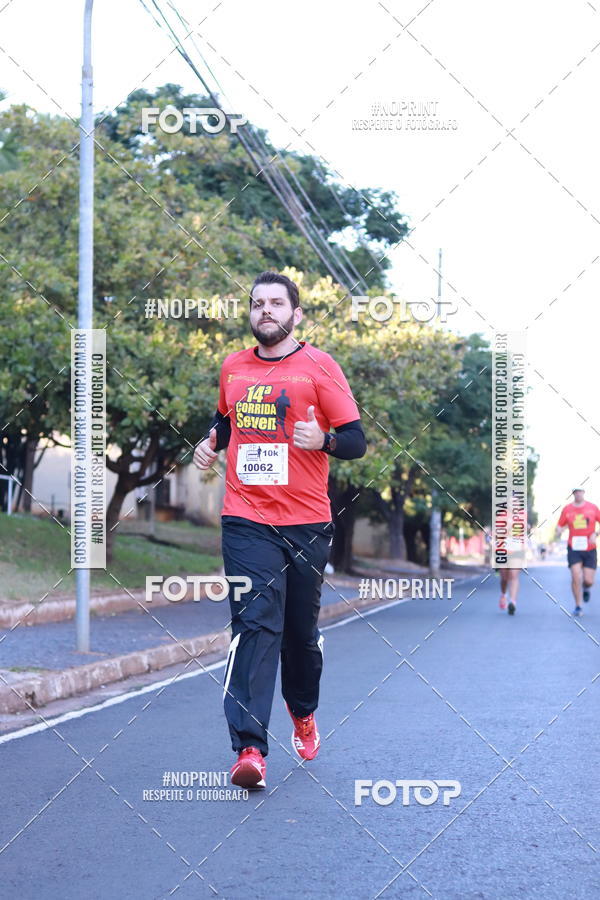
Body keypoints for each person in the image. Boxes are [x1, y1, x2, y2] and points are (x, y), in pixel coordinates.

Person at [193, 271, 366, 789]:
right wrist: (210, 442)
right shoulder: (233, 366)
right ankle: (249, 749)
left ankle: (304, 710)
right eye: (257, 304)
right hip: (246, 519)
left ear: (296, 314)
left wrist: (324, 441)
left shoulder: (321, 366)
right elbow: (226, 421)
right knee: (254, 624)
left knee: (299, 636)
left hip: (307, 521)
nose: (265, 310)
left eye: (275, 303)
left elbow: (355, 440)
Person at [556, 488, 600, 617]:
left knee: (588, 580)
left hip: (590, 548)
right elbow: (559, 525)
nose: (578, 493)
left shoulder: (593, 508)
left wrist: (596, 534)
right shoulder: (567, 509)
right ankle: (578, 606)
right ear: (573, 493)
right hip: (573, 547)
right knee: (575, 576)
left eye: (580, 491)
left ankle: (586, 587)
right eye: (576, 491)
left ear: (584, 492)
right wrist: (559, 530)